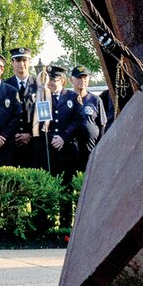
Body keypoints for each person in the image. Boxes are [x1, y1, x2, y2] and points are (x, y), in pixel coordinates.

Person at [36, 66, 84, 227]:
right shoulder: (44, 98)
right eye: (48, 80)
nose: (50, 83)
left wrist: (63, 137)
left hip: (66, 149)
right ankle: (46, 223)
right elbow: (43, 123)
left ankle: (65, 223)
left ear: (62, 81)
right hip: (49, 149)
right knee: (47, 185)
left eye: (53, 80)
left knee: (66, 186)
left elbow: (77, 120)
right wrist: (51, 137)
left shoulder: (72, 97)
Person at [3, 46, 41, 168]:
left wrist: (29, 134)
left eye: (25, 60)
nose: (22, 64)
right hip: (10, 142)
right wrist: (11, 134)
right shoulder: (4, 86)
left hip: (33, 142)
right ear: (12, 63)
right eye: (18, 60)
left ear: (29, 62)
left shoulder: (39, 86)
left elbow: (44, 115)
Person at [70, 66, 106, 161]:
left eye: (84, 77)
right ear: (71, 80)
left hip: (91, 151)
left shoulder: (96, 100)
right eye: (79, 78)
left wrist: (99, 149)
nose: (82, 80)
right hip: (71, 152)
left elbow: (102, 126)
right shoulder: (67, 99)